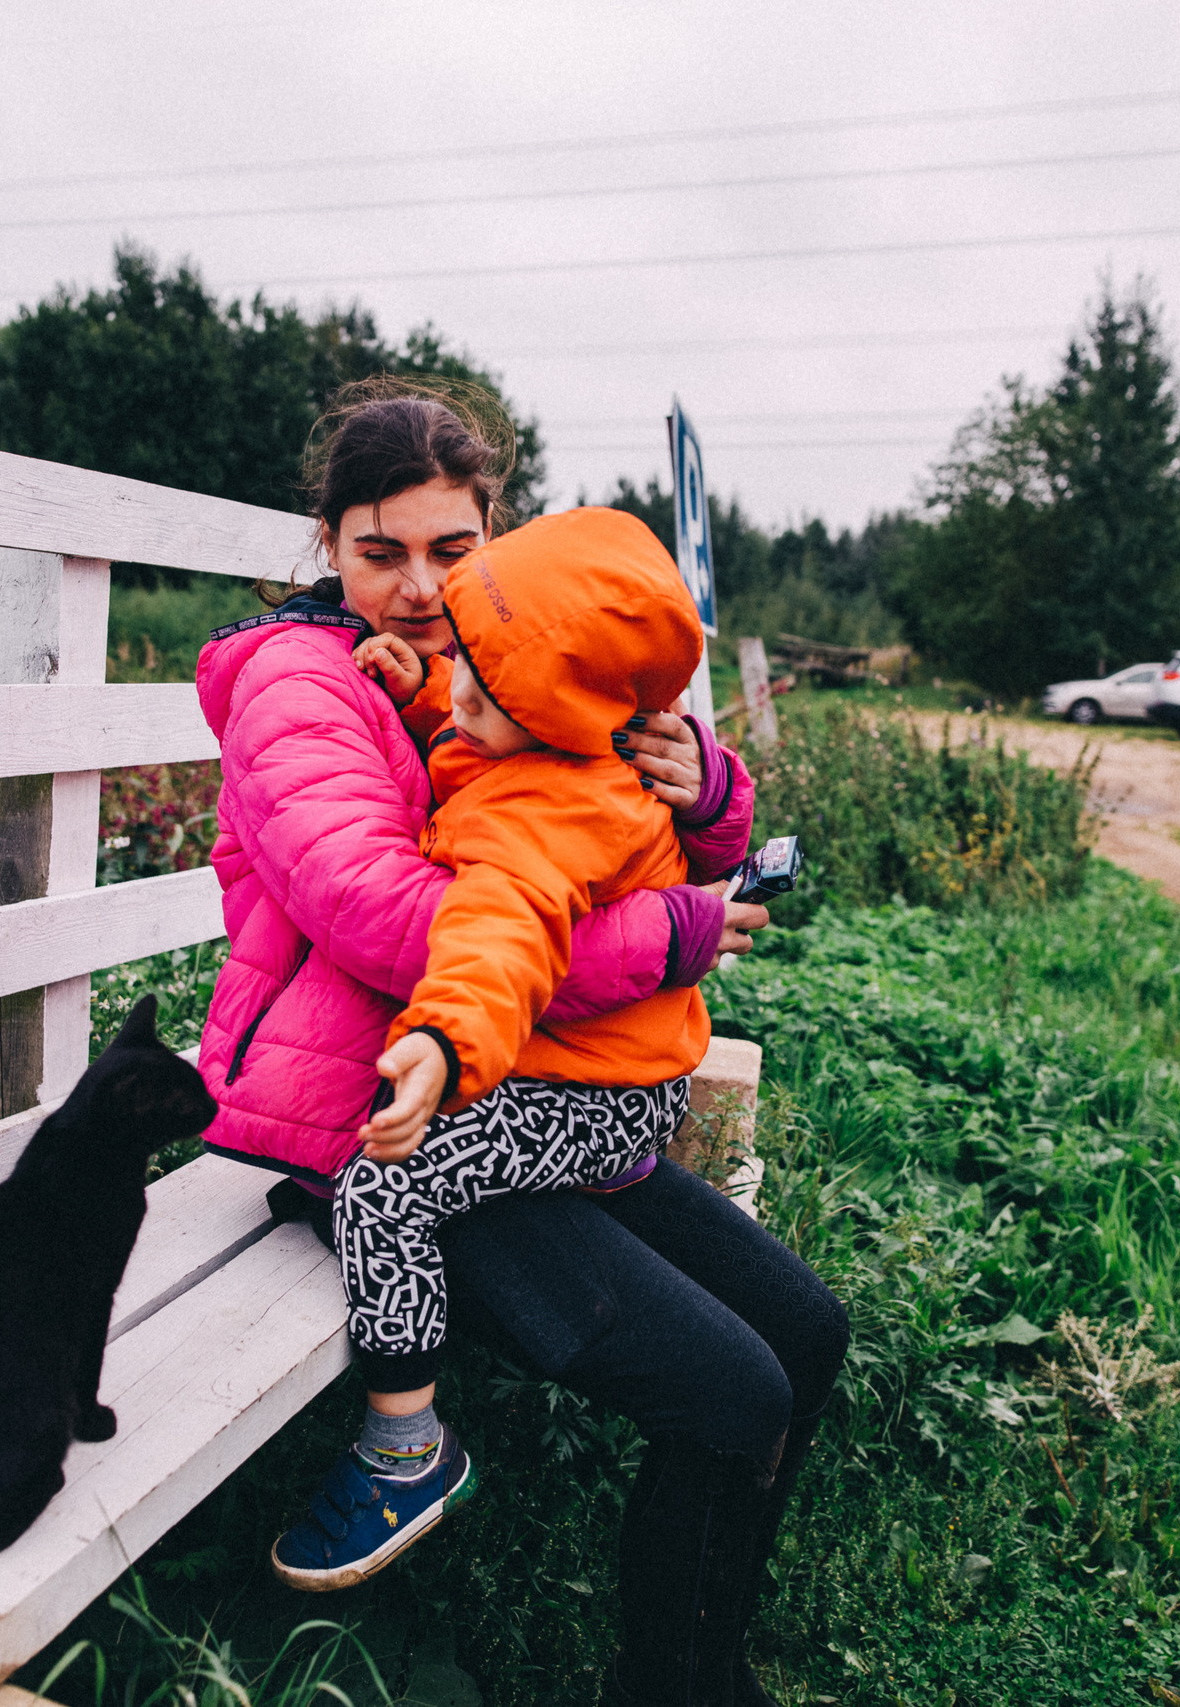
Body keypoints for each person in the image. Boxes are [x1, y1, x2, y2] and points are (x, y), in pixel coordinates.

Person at [195, 379, 848, 1704]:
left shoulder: (506, 664)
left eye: (453, 548)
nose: (420, 587)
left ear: (494, 536)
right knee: (730, 1392)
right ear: (327, 542)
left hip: (524, 1088)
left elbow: (600, 805)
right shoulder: (299, 682)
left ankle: (706, 1668)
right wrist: (667, 935)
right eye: (381, 551)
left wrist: (706, 787)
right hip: (379, 1115)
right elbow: (395, 921)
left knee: (806, 1331)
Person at [267, 506, 721, 1592]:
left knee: (384, 1183)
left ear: (554, 713)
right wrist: (427, 686)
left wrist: (440, 1041)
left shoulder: (540, 813)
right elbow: (485, 716)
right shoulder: (577, 739)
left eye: (488, 684)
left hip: (595, 1093)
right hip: (624, 1059)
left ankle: (404, 1452)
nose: (461, 689)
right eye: (464, 662)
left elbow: (495, 936)